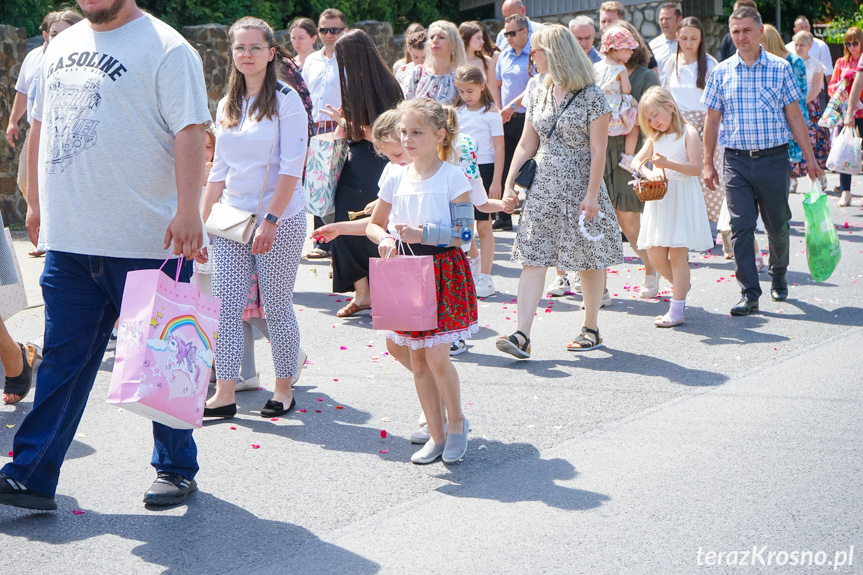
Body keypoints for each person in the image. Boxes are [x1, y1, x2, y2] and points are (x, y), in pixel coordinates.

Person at [0, 0, 211, 511]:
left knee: (161, 363)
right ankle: (30, 473)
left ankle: (176, 469)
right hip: (72, 240)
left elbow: (191, 133)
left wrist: (189, 210)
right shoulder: (61, 46)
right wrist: (34, 201)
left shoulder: (168, 48)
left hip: (148, 240)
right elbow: (41, 128)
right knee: (62, 364)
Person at [200, 17, 308, 420]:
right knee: (226, 306)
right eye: (240, 48)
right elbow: (219, 169)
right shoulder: (227, 103)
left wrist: (271, 219)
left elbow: (291, 167)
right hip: (230, 219)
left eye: (255, 48)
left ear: (271, 53)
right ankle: (224, 392)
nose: (247, 55)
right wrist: (201, 222)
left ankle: (283, 389)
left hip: (279, 218)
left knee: (275, 306)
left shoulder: (286, 100)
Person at [498, 24, 623, 357]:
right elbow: (527, 143)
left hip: (582, 185)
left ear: (553, 54)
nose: (531, 58)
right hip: (543, 187)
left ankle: (591, 326)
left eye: (535, 52)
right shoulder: (536, 90)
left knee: (588, 260)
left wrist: (592, 195)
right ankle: (521, 334)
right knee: (532, 257)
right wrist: (508, 184)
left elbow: (599, 150)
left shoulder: (593, 95)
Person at [367, 98, 477, 464]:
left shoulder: (452, 176)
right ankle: (436, 433)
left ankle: (457, 423)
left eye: (417, 132)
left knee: (437, 358)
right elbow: (374, 222)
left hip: (443, 272)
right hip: (407, 273)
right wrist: (383, 237)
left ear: (439, 134)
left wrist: (423, 233)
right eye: (404, 132)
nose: (408, 139)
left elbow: (464, 235)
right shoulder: (394, 175)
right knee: (416, 361)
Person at [702, 6, 822, 316]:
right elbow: (712, 121)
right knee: (741, 227)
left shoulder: (780, 68)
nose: (741, 37)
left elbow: (795, 116)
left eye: (746, 30)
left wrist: (810, 159)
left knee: (778, 226)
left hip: (773, 159)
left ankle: (779, 273)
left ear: (760, 33)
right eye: (736, 31)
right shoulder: (721, 72)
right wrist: (707, 162)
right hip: (736, 162)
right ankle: (749, 293)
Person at [324, 30, 403, 318]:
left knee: (374, 225)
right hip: (358, 161)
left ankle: (378, 293)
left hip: (378, 161)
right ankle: (364, 294)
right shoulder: (383, 84)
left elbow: (380, 135)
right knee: (344, 224)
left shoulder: (385, 86)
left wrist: (343, 121)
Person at [632, 87, 713, 327]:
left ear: (670, 106)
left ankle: (677, 309)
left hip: (681, 196)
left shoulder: (688, 133)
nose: (653, 122)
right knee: (656, 256)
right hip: (660, 199)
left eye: (655, 115)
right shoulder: (655, 138)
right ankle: (682, 285)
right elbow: (636, 161)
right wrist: (649, 173)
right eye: (648, 119)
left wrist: (667, 165)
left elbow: (696, 168)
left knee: (678, 254)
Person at [600, 20, 661, 300]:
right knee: (599, 221)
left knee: (628, 221)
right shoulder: (599, 70)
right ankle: (597, 287)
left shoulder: (646, 77)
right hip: (600, 149)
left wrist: (642, 158)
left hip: (630, 154)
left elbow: (653, 117)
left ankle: (651, 270)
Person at [662, 17, 722, 224]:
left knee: (711, 182)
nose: (689, 43)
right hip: (679, 128)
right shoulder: (671, 63)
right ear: (677, 37)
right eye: (684, 38)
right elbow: (665, 95)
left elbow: (716, 105)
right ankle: (688, 233)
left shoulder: (710, 64)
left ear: (701, 39)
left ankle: (725, 233)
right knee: (681, 181)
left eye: (694, 38)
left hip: (705, 126)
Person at [454, 65, 505, 299]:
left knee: (484, 225)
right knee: (466, 226)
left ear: (482, 86)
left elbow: (499, 147)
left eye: (470, 90)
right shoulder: (456, 112)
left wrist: (496, 180)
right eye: (462, 91)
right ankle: (471, 268)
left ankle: (485, 275)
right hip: (461, 170)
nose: (466, 96)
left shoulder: (491, 112)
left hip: (484, 168)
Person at [493, 13, 533, 232]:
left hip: (527, 116)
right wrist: (500, 109)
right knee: (507, 164)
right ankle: (504, 214)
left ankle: (530, 213)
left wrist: (512, 106)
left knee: (529, 166)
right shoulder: (504, 55)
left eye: (512, 33)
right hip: (507, 117)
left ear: (525, 32)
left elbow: (534, 85)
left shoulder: (533, 55)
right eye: (505, 33)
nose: (507, 37)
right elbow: (498, 84)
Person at [761, 25, 809, 194]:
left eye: (762, 43)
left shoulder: (794, 62)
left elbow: (801, 94)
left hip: (792, 117)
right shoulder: (762, 62)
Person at [828, 26, 863, 207]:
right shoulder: (842, 62)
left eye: (855, 42)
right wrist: (844, 82)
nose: (852, 46)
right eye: (848, 43)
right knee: (845, 152)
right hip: (846, 113)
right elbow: (831, 88)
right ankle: (845, 192)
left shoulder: (862, 62)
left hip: (862, 111)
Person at [595, 26, 640, 166]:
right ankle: (628, 157)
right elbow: (627, 90)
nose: (631, 52)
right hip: (615, 111)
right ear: (615, 50)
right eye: (627, 49)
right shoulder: (620, 68)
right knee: (635, 126)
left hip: (599, 111)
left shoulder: (595, 66)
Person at [791, 31, 830, 191]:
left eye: (802, 45)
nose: (799, 48)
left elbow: (816, 88)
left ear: (809, 46)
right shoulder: (791, 62)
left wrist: (802, 102)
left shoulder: (816, 64)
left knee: (814, 139)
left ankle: (820, 174)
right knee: (793, 140)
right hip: (793, 104)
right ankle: (793, 177)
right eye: (797, 45)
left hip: (810, 105)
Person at [405, 20, 465, 106]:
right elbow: (408, 106)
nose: (435, 41)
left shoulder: (460, 76)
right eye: (432, 37)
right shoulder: (418, 73)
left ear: (453, 44)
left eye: (441, 37)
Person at [600, 3, 659, 73]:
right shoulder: (600, 49)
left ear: (621, 21)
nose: (606, 25)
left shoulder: (638, 45)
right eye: (603, 21)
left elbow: (653, 75)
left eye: (611, 22)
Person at [459, 21, 502, 109]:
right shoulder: (454, 63)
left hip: (482, 110)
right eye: (478, 38)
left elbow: (493, 91)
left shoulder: (487, 61)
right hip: (460, 111)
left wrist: (497, 111)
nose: (482, 41)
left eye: (482, 38)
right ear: (467, 38)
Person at [650, 3, 682, 83]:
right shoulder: (652, 46)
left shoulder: (687, 44)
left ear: (679, 20)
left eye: (668, 19)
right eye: (661, 19)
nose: (664, 22)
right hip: (661, 93)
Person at [394, 28, 426, 96]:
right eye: (415, 57)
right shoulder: (401, 71)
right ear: (409, 51)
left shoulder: (435, 73)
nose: (420, 62)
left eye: (424, 57)